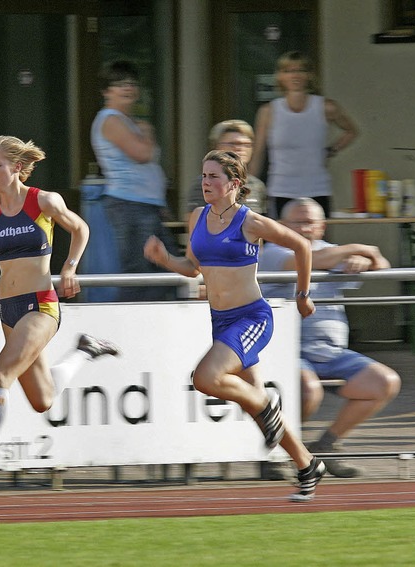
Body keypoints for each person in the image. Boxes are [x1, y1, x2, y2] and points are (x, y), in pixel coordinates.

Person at [144, 150, 325, 502]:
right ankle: (307, 465)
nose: (206, 182)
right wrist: (164, 259)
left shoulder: (249, 222)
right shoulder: (197, 217)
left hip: (251, 318)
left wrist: (302, 295)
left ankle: (268, 407)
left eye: (213, 176)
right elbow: (193, 268)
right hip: (220, 321)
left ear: (234, 184)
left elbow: (303, 246)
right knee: (259, 409)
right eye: (203, 175)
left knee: (206, 379)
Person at [0, 135, 119, 488]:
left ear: (17, 167)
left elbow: (80, 228)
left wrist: (69, 267)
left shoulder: (43, 201)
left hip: (40, 305)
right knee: (43, 400)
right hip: (7, 309)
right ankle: (85, 350)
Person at [260, 198, 401, 478]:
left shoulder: (331, 252)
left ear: (322, 227)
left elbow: (383, 266)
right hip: (288, 349)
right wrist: (363, 248)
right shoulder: (273, 253)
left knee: (385, 382)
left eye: (309, 222)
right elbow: (307, 260)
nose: (303, 228)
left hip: (333, 352)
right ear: (281, 226)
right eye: (296, 222)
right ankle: (277, 453)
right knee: (309, 390)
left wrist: (366, 259)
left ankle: (327, 446)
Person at [91, 60, 177, 302]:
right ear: (106, 91)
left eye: (131, 83)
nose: (127, 88)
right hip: (129, 205)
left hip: (144, 206)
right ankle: (121, 330)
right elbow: (142, 154)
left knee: (166, 268)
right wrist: (148, 132)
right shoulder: (110, 119)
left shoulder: (127, 121)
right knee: (140, 274)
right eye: (119, 84)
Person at [249, 51, 358, 219]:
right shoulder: (269, 111)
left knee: (318, 242)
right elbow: (258, 153)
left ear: (309, 75)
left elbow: (351, 131)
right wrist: (248, 190)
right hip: (281, 189)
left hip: (317, 189)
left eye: (300, 70)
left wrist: (331, 151)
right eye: (288, 71)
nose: (295, 75)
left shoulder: (325, 107)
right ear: (280, 76)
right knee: (282, 243)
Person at [186, 119, 266, 216]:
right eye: (232, 144)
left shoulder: (257, 186)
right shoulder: (204, 183)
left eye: (246, 144)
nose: (239, 148)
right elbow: (195, 225)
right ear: (216, 147)